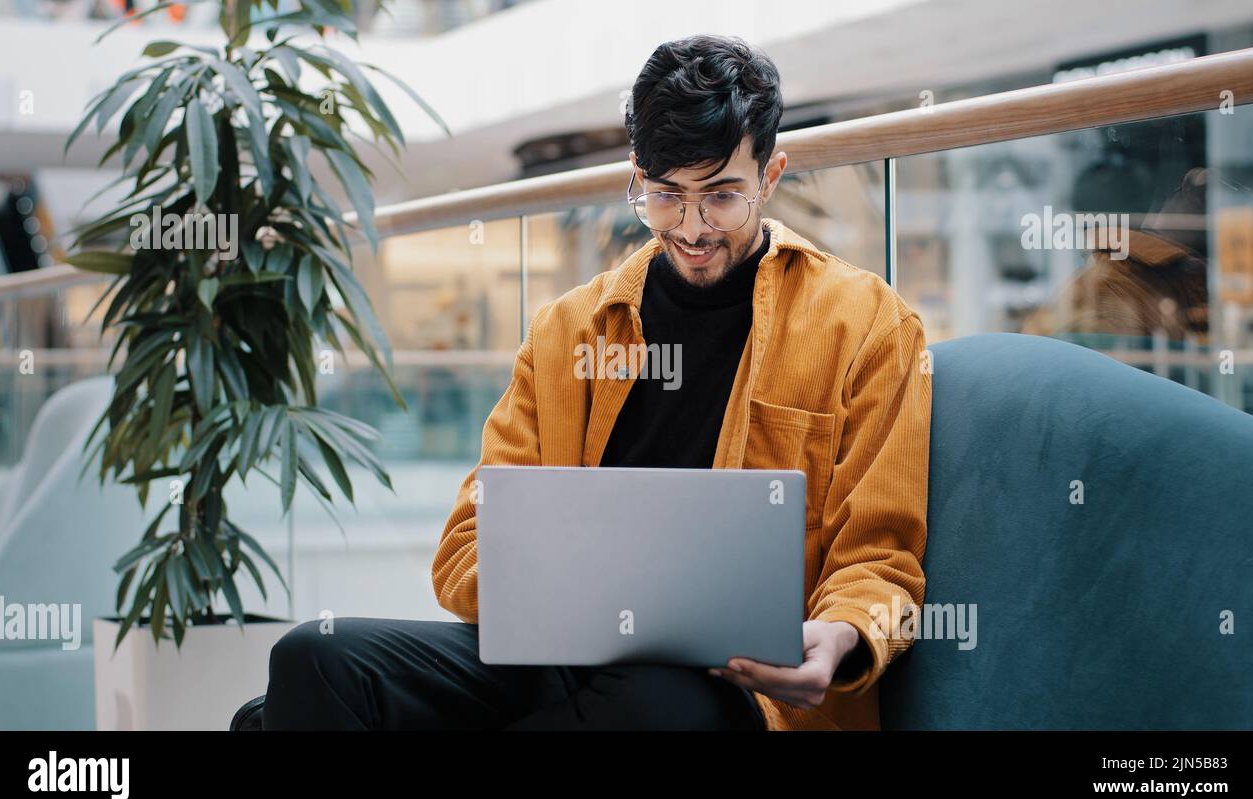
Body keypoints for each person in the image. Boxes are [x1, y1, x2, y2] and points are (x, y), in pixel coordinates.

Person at [265, 33, 931, 731]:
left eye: (723, 196)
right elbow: (468, 541)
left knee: (652, 706)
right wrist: (562, 601)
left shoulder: (870, 327)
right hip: (558, 660)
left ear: (772, 175)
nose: (693, 227)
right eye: (665, 196)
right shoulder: (570, 330)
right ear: (637, 176)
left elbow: (882, 559)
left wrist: (844, 633)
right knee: (316, 655)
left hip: (738, 692)